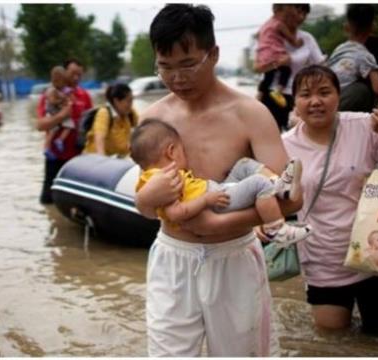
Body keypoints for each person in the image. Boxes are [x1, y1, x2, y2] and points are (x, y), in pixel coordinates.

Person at [135, 4, 303, 356]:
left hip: (233, 256)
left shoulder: (250, 115)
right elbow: (147, 209)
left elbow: (290, 198)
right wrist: (147, 198)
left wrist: (217, 225)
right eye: (165, 67)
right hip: (173, 258)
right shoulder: (153, 119)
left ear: (213, 54)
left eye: (187, 65)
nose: (177, 78)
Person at [276, 65, 378, 337]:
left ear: (339, 96)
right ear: (295, 103)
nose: (315, 101)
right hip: (322, 257)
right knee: (333, 341)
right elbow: (275, 198)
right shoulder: (284, 146)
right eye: (305, 95)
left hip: (375, 253)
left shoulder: (364, 125)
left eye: (325, 92)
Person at [131, 118, 311, 245]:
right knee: (258, 183)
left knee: (244, 165)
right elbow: (176, 214)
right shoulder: (165, 179)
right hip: (216, 202)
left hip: (216, 191)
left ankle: (280, 187)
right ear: (171, 151)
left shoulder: (154, 177)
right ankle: (276, 229)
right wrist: (206, 200)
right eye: (182, 150)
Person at [254, 4, 324, 131]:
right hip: (271, 95)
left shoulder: (306, 38)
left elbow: (320, 66)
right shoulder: (270, 34)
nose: (300, 17)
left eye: (304, 14)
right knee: (271, 136)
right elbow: (258, 68)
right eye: (298, 11)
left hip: (297, 95)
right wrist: (277, 63)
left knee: (296, 136)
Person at [36, 58, 93, 204]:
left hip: (78, 157)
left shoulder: (84, 96)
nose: (76, 78)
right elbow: (40, 125)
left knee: (75, 200)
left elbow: (91, 124)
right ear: (63, 73)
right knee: (48, 199)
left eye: (79, 75)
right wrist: (62, 116)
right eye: (73, 73)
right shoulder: (50, 95)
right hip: (55, 156)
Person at [326, 4, 378, 112]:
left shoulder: (339, 49)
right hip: (342, 104)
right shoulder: (366, 55)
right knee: (365, 89)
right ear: (373, 27)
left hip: (328, 98)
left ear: (346, 27)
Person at [255, 4, 303, 109]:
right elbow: (291, 40)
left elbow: (257, 36)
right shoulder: (279, 24)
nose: (286, 19)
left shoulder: (265, 25)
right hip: (275, 52)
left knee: (268, 76)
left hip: (264, 54)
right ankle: (279, 91)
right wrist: (298, 43)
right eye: (286, 16)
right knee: (286, 70)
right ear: (278, 12)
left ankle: (259, 95)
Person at [82, 83, 138, 157]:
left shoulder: (129, 113)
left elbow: (141, 126)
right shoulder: (104, 113)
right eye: (128, 101)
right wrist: (102, 160)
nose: (131, 104)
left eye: (132, 100)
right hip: (95, 160)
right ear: (116, 101)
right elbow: (99, 140)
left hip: (118, 158)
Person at [43, 66, 75, 160]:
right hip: (52, 113)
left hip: (56, 113)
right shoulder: (51, 91)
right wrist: (61, 100)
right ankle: (49, 147)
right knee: (65, 126)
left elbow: (71, 99)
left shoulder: (64, 90)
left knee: (62, 127)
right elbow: (52, 102)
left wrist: (67, 99)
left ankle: (57, 141)